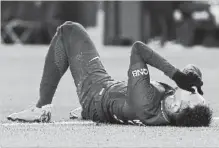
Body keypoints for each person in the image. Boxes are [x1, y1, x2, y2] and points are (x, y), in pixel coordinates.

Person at [7, 21, 212, 126]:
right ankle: (88, 113)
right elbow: (191, 75)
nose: (193, 90)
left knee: (69, 30)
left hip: (95, 92)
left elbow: (138, 49)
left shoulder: (146, 102)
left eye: (193, 94)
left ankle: (41, 108)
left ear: (176, 105)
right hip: (111, 100)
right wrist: (192, 75)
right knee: (118, 99)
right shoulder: (172, 111)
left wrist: (177, 75)